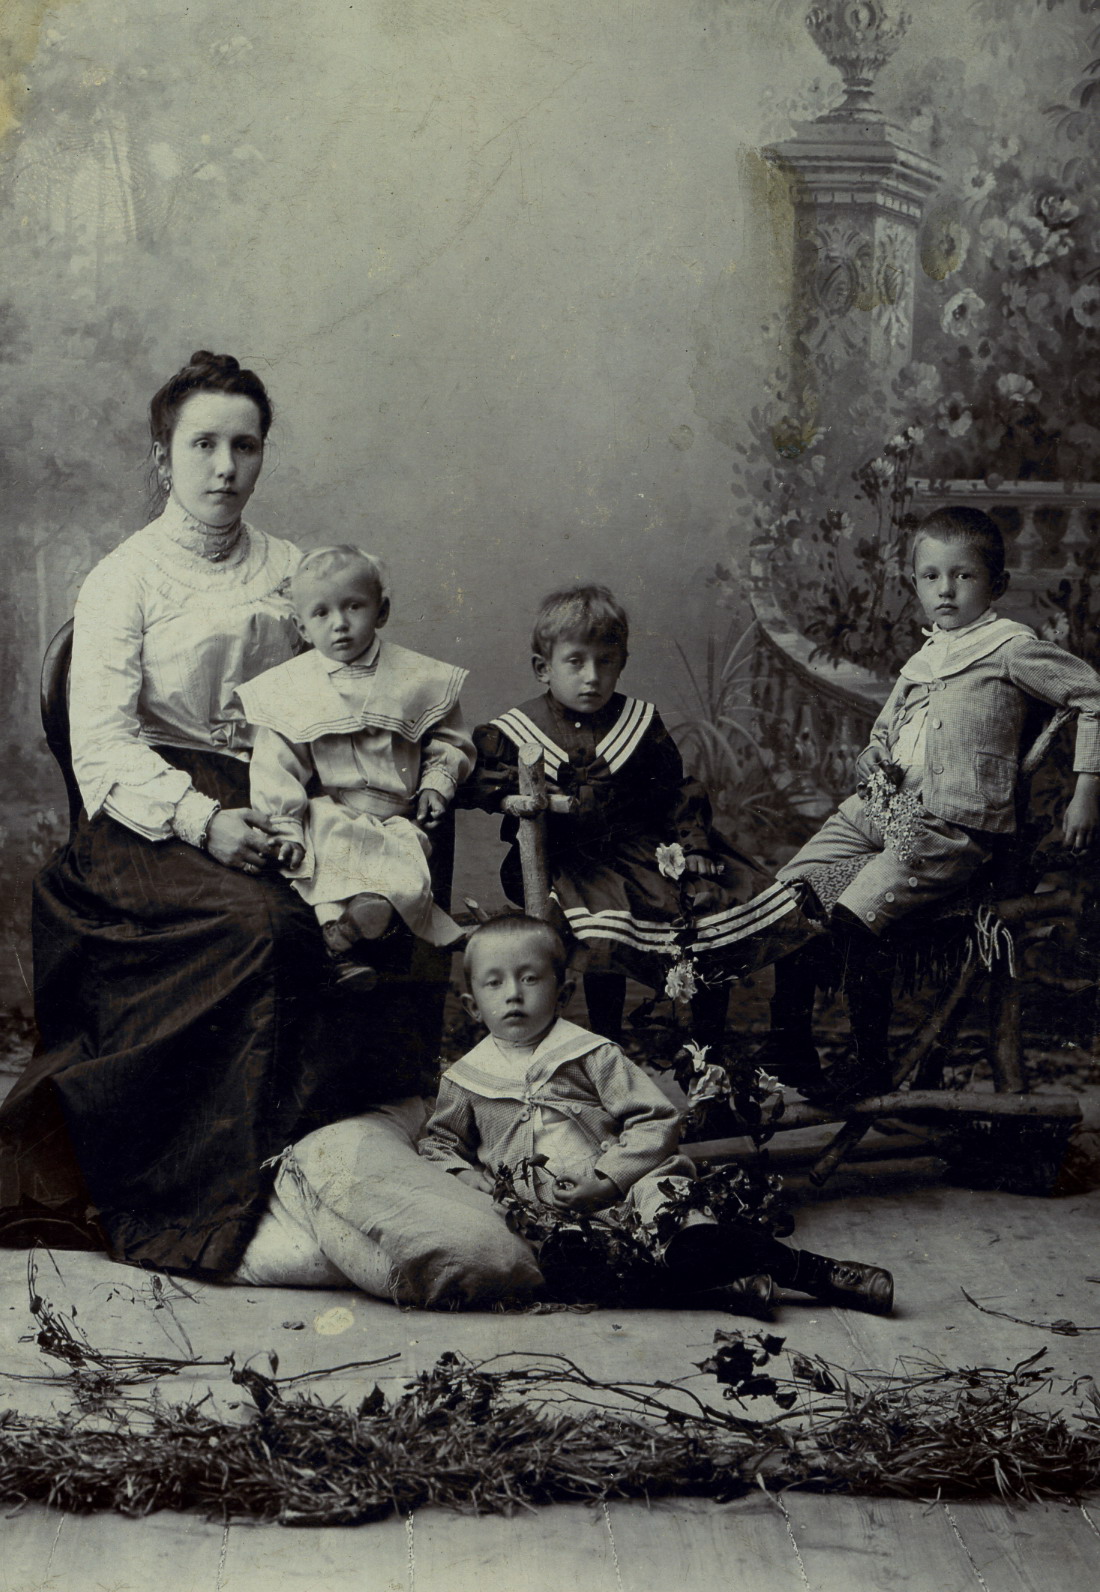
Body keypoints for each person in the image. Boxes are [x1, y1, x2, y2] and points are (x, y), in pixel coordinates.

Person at [0, 352, 442, 1279]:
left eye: (245, 446)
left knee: (381, 903)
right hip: (148, 816)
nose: (225, 467)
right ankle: (200, 1197)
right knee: (265, 926)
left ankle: (340, 1161)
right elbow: (102, 746)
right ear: (163, 457)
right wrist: (204, 820)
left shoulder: (292, 571)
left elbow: (350, 680)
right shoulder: (123, 579)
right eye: (203, 445)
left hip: (282, 795)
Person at [764, 505, 1100, 1103]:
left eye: (963, 575)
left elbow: (1093, 695)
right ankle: (789, 1048)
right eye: (931, 576)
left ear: (996, 584)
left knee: (853, 920)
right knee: (788, 898)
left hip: (947, 827)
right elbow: (884, 732)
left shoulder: (1010, 649)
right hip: (880, 809)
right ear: (915, 583)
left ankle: (869, 1064)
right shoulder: (925, 658)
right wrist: (872, 754)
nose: (945, 590)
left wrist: (1085, 794)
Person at [417, 914, 894, 1312]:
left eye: (530, 978)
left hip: (631, 1189)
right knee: (566, 1270)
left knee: (687, 1236)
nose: (513, 995)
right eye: (494, 983)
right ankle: (718, 1288)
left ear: (562, 994)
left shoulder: (591, 1055)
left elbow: (655, 1118)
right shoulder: (466, 1079)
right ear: (472, 1006)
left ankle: (810, 1271)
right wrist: (466, 1176)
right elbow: (438, 1143)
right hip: (546, 1214)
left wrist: (608, 1179)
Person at [460, 584, 798, 1044]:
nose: (592, 677)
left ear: (622, 663)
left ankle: (707, 1052)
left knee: (712, 905)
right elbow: (476, 780)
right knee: (608, 926)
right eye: (575, 662)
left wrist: (694, 845)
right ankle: (606, 1041)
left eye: (606, 662)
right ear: (543, 668)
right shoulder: (520, 729)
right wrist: (518, 790)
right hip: (569, 859)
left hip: (641, 850)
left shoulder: (638, 722)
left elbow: (674, 791)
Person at [236, 545, 472, 992]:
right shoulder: (292, 687)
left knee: (403, 868)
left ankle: (356, 929)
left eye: (353, 607)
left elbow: (449, 737)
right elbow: (276, 766)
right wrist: (286, 828)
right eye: (321, 613)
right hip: (334, 810)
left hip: (398, 816)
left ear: (382, 612)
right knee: (320, 855)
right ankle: (341, 943)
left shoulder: (416, 676)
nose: (339, 623)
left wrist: (436, 783)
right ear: (300, 627)